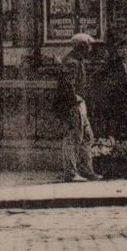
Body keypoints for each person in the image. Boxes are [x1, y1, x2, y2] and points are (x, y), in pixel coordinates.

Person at [55, 33, 99, 182]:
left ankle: (86, 170)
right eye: (89, 45)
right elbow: (68, 86)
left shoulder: (76, 60)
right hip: (74, 105)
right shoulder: (72, 62)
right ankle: (71, 173)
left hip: (79, 104)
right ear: (83, 46)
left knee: (87, 136)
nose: (90, 48)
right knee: (74, 137)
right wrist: (76, 101)